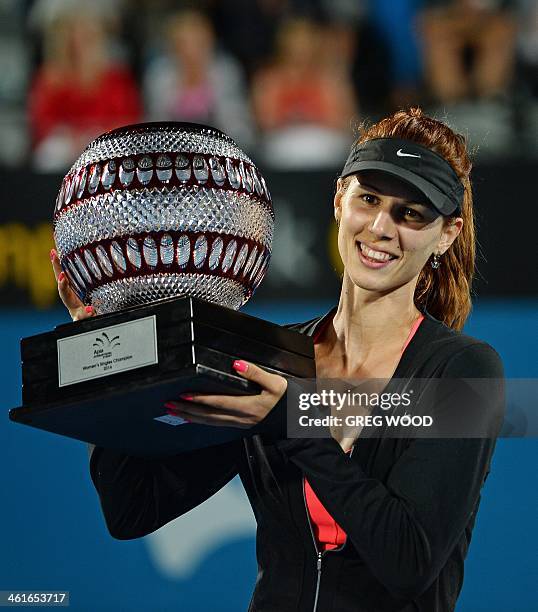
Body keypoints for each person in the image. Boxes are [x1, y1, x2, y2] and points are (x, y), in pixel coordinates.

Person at [50, 107, 504, 611]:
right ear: (339, 201)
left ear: (447, 233)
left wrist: (291, 420)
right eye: (369, 199)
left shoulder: (465, 371)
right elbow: (133, 509)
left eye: (410, 214)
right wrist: (103, 346)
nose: (380, 227)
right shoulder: (270, 357)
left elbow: (408, 561)